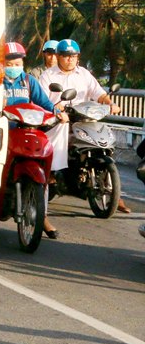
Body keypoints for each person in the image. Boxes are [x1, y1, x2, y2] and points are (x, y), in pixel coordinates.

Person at [39, 38, 129, 213]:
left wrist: (110, 103)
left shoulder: (84, 74)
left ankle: (112, 188)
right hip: (59, 120)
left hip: (83, 118)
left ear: (78, 57)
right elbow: (42, 100)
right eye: (65, 56)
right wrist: (56, 108)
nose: (70, 59)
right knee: (61, 131)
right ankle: (51, 172)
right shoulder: (48, 76)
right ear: (58, 56)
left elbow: (99, 93)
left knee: (102, 136)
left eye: (73, 56)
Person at [3, 41, 67, 239]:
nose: (14, 67)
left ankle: (42, 215)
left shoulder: (29, 81)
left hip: (26, 130)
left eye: (17, 63)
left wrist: (57, 113)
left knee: (43, 156)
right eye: (10, 64)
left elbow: (45, 103)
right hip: (4, 130)